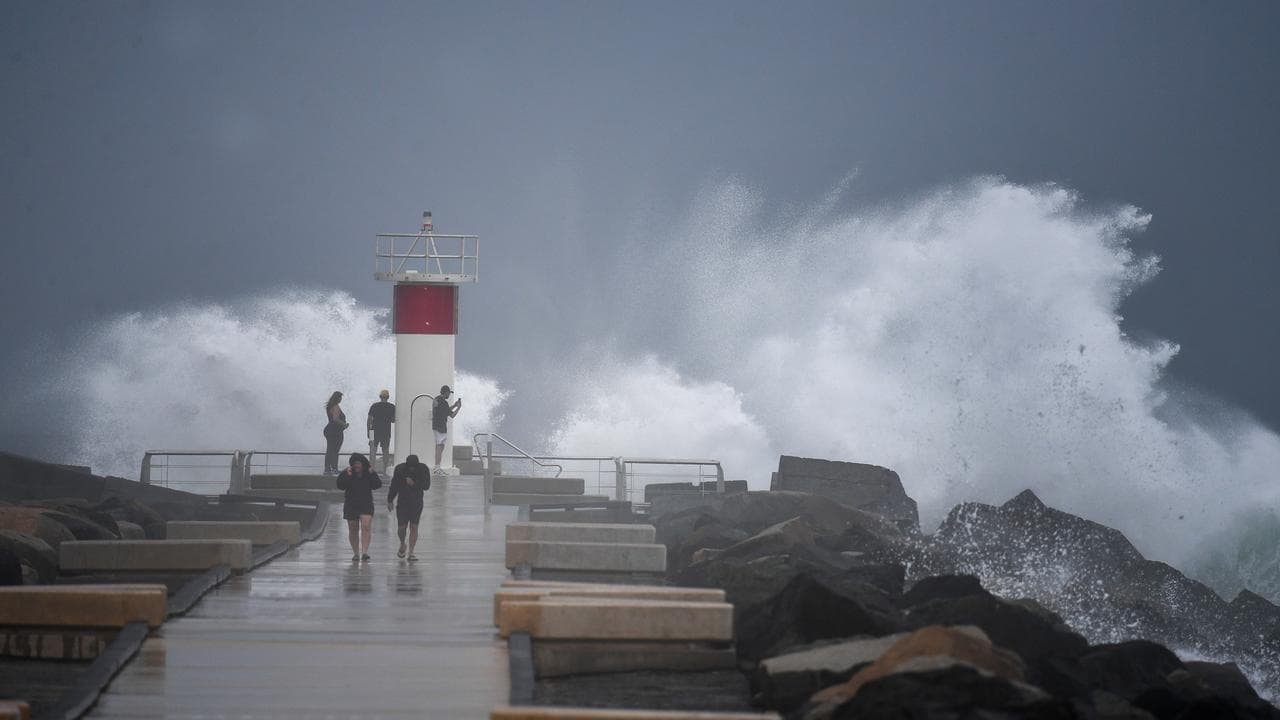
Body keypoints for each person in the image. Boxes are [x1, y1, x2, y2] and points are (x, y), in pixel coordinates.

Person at [336, 452, 381, 562]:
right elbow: (340, 486)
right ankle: (356, 553)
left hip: (366, 504)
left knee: (366, 526)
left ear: (363, 464)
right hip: (351, 504)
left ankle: (365, 552)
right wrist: (347, 475)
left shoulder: (368, 473)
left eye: (358, 464)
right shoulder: (348, 472)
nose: (356, 466)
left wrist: (373, 473)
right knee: (353, 528)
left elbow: (377, 485)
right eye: (355, 464)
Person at [386, 454, 430, 561]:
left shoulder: (423, 469)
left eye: (413, 467)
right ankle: (402, 543)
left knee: (414, 527)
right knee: (402, 527)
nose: (411, 469)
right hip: (403, 502)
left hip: (417, 502)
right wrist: (390, 500)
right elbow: (394, 485)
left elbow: (426, 486)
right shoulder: (400, 469)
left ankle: (411, 552)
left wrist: (414, 483)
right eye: (409, 467)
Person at [431, 384, 461, 474]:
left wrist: (454, 405)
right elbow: (452, 415)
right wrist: (459, 407)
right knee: (439, 447)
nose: (449, 395)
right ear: (446, 392)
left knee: (440, 446)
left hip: (436, 425)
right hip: (440, 427)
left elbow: (446, 411)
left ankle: (437, 467)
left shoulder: (437, 399)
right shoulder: (443, 402)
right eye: (449, 393)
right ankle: (437, 468)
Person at [367, 389, 395, 472]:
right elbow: (393, 420)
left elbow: (369, 420)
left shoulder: (374, 406)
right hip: (386, 431)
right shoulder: (392, 407)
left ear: (380, 397)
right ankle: (385, 470)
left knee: (372, 450)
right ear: (388, 397)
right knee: (385, 450)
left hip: (372, 431)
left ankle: (372, 469)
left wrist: (368, 431)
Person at [323, 391, 348, 475]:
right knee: (334, 450)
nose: (341, 399)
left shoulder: (330, 406)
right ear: (337, 398)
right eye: (340, 397)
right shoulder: (336, 406)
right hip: (335, 431)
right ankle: (333, 468)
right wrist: (344, 424)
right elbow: (335, 419)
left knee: (330, 449)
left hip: (330, 430)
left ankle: (328, 468)